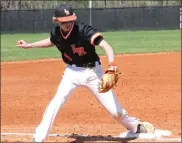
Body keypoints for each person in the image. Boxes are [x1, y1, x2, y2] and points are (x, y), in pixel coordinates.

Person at [17, 3, 155, 142]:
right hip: (71, 72)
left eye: (71, 19)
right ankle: (39, 138)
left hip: (93, 73)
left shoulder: (84, 30)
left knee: (115, 112)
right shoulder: (57, 33)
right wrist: (30, 45)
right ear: (56, 20)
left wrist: (112, 64)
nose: (68, 23)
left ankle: (135, 126)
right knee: (56, 102)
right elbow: (52, 41)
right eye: (64, 21)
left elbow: (107, 46)